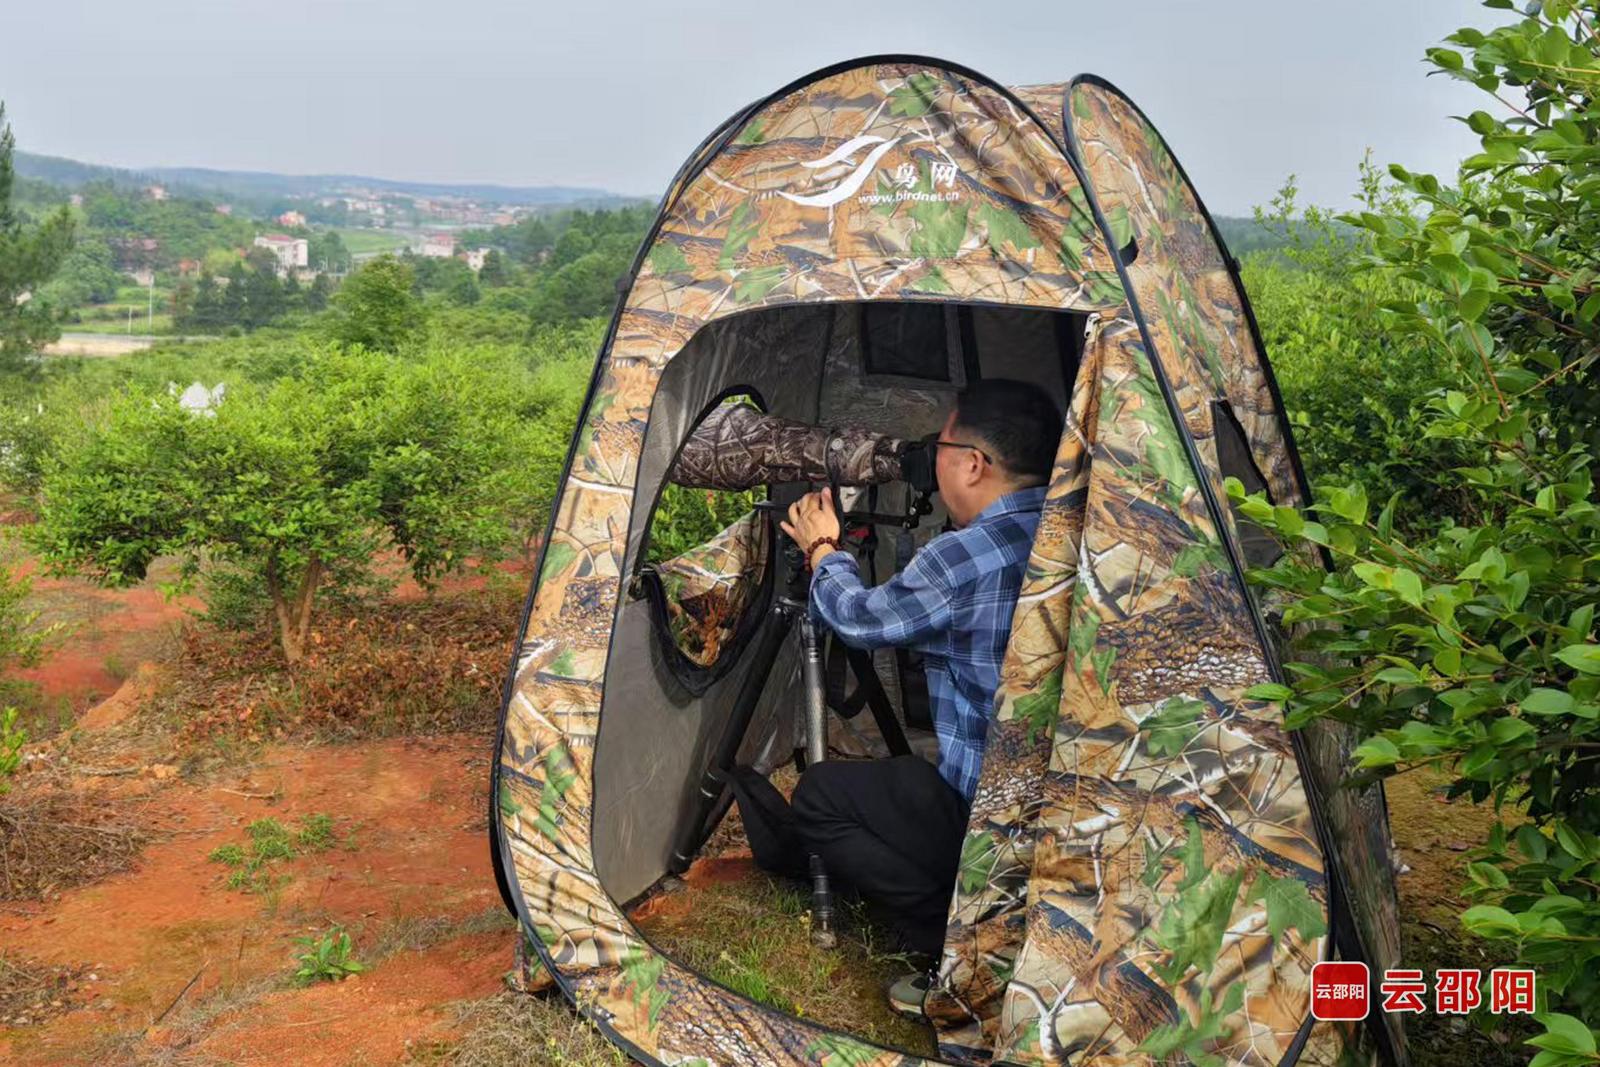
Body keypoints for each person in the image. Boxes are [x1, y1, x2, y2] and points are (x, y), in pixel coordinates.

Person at [730, 377, 1063, 1017]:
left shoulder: (964, 554)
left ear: (973, 463)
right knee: (910, 773)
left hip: (990, 823)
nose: (926, 462)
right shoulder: (1086, 530)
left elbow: (858, 621)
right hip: (1073, 811)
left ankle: (953, 938)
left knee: (823, 796)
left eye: (937, 445)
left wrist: (824, 548)